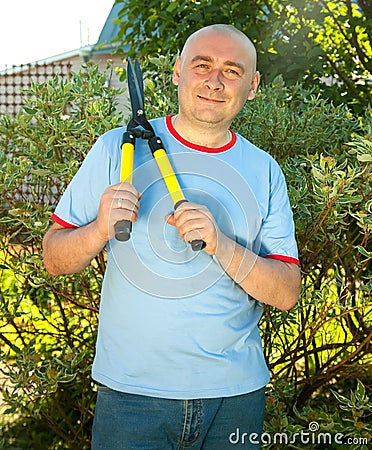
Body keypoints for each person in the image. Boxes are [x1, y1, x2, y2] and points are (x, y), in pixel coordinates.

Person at [43, 24, 301, 449]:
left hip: (234, 398)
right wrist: (97, 230)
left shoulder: (265, 171)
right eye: (202, 65)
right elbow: (54, 259)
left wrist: (221, 243)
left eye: (232, 71)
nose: (215, 81)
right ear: (179, 70)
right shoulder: (113, 150)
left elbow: (286, 291)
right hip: (131, 397)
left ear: (252, 86)